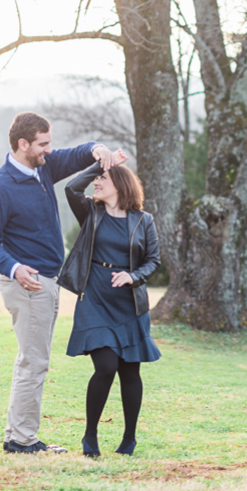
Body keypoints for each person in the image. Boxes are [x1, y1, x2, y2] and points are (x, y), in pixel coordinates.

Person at [0, 112, 117, 455]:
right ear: (22, 145)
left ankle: (17, 435)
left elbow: (74, 154)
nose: (49, 150)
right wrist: (14, 268)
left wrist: (97, 149)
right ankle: (23, 441)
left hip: (47, 281)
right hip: (28, 284)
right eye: (43, 144)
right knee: (35, 361)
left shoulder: (43, 168)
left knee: (30, 359)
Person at [58, 152, 161, 458]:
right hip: (95, 297)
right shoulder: (91, 211)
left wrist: (133, 276)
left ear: (121, 184)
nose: (97, 184)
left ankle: (129, 439)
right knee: (105, 366)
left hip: (129, 304)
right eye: (99, 178)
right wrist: (98, 166)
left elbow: (153, 261)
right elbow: (71, 188)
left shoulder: (144, 221)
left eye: (104, 179)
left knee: (130, 373)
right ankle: (90, 437)